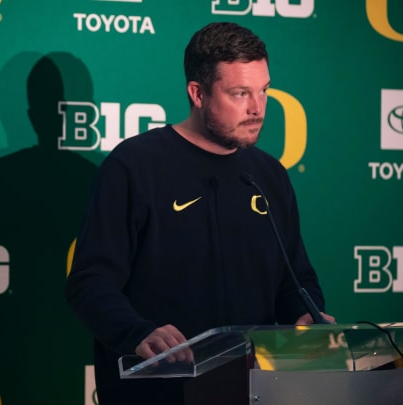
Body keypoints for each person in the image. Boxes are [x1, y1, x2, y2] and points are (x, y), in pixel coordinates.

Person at [65, 22, 334, 404]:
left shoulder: (268, 175)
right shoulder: (136, 165)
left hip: (250, 390)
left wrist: (305, 316)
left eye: (264, 91)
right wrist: (137, 333)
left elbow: (295, 279)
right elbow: (89, 282)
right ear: (198, 93)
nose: (257, 108)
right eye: (240, 93)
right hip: (156, 392)